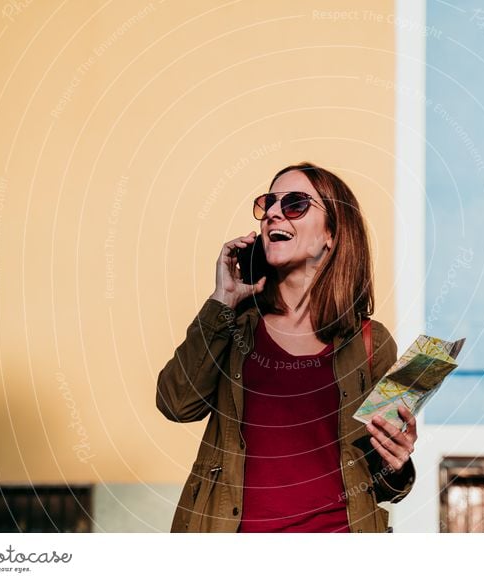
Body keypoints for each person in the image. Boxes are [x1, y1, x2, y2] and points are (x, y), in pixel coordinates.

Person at [156, 162, 417, 533]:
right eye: (269, 203)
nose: (274, 213)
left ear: (332, 234)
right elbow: (176, 404)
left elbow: (380, 483)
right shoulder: (235, 324)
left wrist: (396, 462)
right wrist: (222, 301)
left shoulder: (371, 342)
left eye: (295, 204)